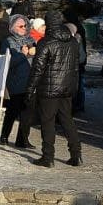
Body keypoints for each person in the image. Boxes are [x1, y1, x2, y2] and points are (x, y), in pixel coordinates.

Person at [27, 12, 82, 167]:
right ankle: (76, 154)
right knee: (67, 120)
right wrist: (74, 87)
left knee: (48, 122)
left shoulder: (46, 42)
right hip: (66, 88)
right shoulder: (72, 42)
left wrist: (30, 89)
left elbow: (37, 69)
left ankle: (48, 156)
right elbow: (76, 68)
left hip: (48, 90)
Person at [1, 15, 34, 148]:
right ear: (13, 27)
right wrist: (23, 54)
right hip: (16, 81)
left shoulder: (31, 40)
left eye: (25, 25)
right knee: (13, 111)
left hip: (31, 81)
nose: (24, 28)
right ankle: (4, 136)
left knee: (28, 112)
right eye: (20, 26)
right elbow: (7, 62)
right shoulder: (8, 41)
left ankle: (23, 139)